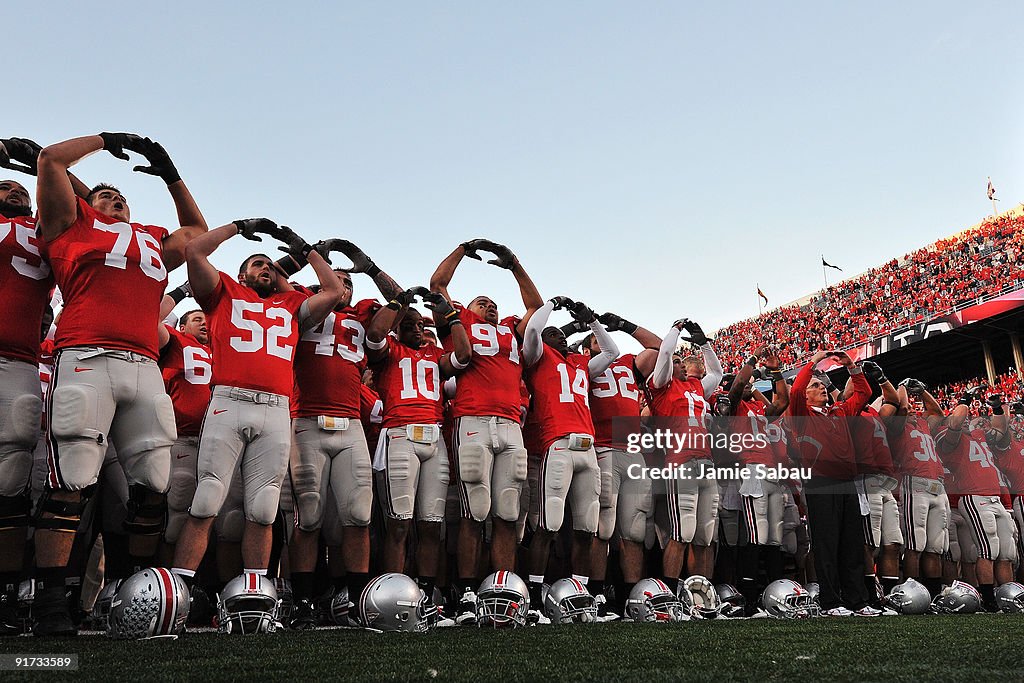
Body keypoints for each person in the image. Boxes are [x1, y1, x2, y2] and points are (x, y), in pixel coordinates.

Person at [33, 132, 207, 636]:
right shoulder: (70, 224)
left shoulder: (151, 236)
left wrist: (168, 169)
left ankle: (136, 591)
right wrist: (107, 141)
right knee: (73, 479)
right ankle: (49, 599)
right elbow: (50, 159)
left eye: (121, 196)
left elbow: (195, 230)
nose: (114, 199)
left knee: (154, 484)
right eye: (105, 194)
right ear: (85, 200)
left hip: (144, 366)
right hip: (86, 354)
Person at [170, 220, 341, 593]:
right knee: (207, 498)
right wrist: (239, 227)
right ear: (241, 274)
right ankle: (181, 591)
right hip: (229, 400)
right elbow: (194, 250)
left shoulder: (292, 303)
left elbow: (334, 289)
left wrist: (302, 249)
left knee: (264, 506)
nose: (265, 268)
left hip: (276, 408)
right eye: (257, 264)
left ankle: (253, 593)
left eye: (270, 265)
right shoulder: (223, 293)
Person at [285, 239, 402, 628]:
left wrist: (366, 266)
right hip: (306, 420)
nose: (341, 284)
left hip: (350, 423)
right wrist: (306, 252)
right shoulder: (300, 302)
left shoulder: (363, 314)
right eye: (333, 279)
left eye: (345, 281)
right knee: (309, 517)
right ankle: (302, 600)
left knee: (357, 516)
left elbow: (400, 300)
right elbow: (272, 279)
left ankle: (356, 600)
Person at [428, 239, 543, 624]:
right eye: (482, 302)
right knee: (474, 509)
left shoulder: (511, 329)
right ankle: (465, 592)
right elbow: (437, 285)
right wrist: (463, 250)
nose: (489, 305)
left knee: (508, 510)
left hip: (511, 423)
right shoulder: (460, 320)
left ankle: (502, 587)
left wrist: (513, 263)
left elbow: (535, 307)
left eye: (493, 303)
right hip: (473, 419)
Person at [366, 288, 471, 615]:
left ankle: (425, 594)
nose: (417, 329)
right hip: (399, 434)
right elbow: (374, 333)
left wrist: (450, 315)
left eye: (421, 326)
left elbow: (464, 356)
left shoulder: (433, 356)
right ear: (398, 327)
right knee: (398, 522)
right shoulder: (390, 349)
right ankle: (393, 589)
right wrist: (400, 302)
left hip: (434, 438)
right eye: (409, 325)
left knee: (431, 523)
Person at [520, 297, 618, 622]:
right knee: (548, 524)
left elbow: (611, 352)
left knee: (587, 528)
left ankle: (581, 593)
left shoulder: (579, 363)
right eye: (555, 335)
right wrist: (551, 304)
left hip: (588, 449)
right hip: (558, 444)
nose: (562, 338)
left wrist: (592, 321)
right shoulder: (538, 356)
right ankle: (535, 596)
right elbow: (533, 329)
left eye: (562, 336)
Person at [0, 137, 62, 634]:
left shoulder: (46, 231)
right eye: (6, 186)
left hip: (19, 363)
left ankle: (8, 589)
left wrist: (44, 165)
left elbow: (87, 214)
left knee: (12, 483)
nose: (15, 191)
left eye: (23, 188)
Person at [576, 311, 660, 618]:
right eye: (597, 341)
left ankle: (630, 599)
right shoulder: (583, 366)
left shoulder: (627, 363)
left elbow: (658, 348)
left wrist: (625, 325)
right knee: (603, 528)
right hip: (603, 448)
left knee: (634, 529)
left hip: (633, 451)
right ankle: (596, 596)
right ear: (588, 349)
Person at [788, 350, 878, 616]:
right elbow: (794, 392)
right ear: (806, 396)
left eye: (822, 385)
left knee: (851, 543)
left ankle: (857, 600)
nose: (822, 388)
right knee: (826, 544)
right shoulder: (802, 415)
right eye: (815, 386)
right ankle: (831, 601)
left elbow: (863, 393)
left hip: (846, 482)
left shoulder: (839, 411)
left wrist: (851, 365)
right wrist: (814, 362)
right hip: (820, 482)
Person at [647, 318, 723, 587]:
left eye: (681, 361)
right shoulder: (660, 389)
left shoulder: (695, 386)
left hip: (706, 462)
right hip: (681, 463)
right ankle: (669, 590)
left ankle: (702, 594)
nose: (678, 363)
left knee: (705, 535)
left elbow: (718, 373)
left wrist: (703, 343)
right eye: (677, 361)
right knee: (682, 532)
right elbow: (665, 353)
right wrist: (675, 329)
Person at [935, 388, 1015, 610]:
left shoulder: (981, 437)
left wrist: (997, 407)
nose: (978, 422)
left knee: (1007, 551)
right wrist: (965, 400)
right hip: (973, 496)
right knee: (988, 548)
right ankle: (989, 600)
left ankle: (1008, 596)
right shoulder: (949, 436)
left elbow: (1000, 428)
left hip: (995, 498)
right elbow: (955, 423)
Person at [726, 346, 790, 608]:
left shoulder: (757, 409)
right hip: (751, 470)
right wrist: (752, 361)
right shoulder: (733, 408)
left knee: (775, 536)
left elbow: (782, 402)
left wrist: (776, 371)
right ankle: (750, 599)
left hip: (773, 473)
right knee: (757, 533)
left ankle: (776, 593)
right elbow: (739, 383)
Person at [890, 379, 949, 597]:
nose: (914, 410)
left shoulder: (923, 425)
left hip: (938, 486)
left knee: (934, 547)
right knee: (915, 544)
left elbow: (938, 412)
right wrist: (903, 387)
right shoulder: (896, 426)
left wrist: (922, 391)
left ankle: (933, 595)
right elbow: (903, 407)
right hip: (915, 482)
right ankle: (912, 592)